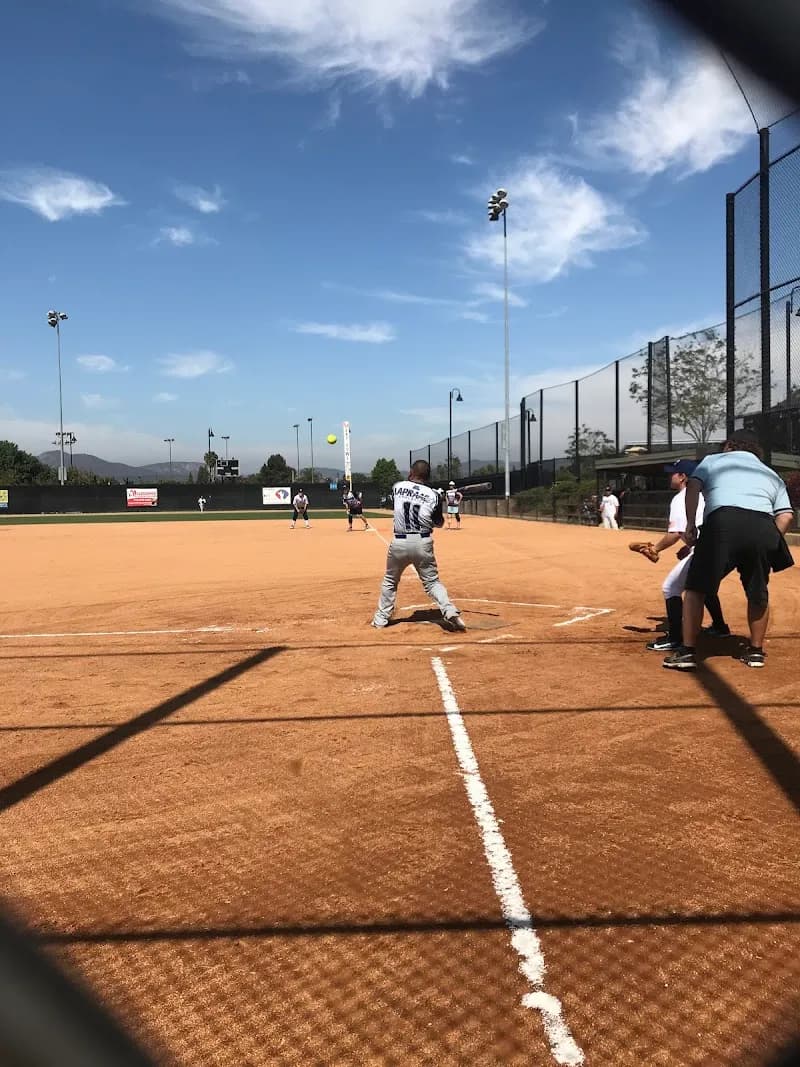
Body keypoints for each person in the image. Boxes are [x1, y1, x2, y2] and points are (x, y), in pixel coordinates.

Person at [663, 430, 794, 671]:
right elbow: (785, 514)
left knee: (695, 589)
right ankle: (756, 652)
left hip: (723, 521)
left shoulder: (714, 460)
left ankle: (688, 652)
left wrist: (691, 525)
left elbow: (693, 487)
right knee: (757, 592)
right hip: (763, 525)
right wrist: (771, 539)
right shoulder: (770, 472)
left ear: (730, 445)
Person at [643, 459, 730, 652]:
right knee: (702, 585)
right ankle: (720, 626)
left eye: (673, 473)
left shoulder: (682, 497)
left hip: (704, 549)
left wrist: (655, 549)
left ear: (682, 477)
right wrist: (690, 547)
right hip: (718, 546)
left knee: (671, 587)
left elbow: (675, 533)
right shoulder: (704, 494)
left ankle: (675, 638)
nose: (669, 476)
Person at [371, 459, 466, 632]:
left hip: (399, 543)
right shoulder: (433, 495)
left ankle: (380, 620)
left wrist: (434, 496)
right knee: (432, 583)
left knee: (390, 581)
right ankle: (450, 610)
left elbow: (396, 500)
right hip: (423, 543)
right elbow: (438, 523)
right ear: (428, 476)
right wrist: (438, 500)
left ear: (411, 472)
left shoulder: (398, 486)